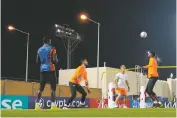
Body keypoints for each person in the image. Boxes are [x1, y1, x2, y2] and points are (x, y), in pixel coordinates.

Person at [35, 37, 58, 110]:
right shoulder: (52, 48)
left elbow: (37, 61)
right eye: (50, 41)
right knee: (53, 88)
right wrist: (56, 60)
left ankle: (37, 105)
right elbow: (54, 61)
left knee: (41, 89)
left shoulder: (39, 50)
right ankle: (53, 105)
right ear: (48, 41)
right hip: (50, 70)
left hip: (42, 70)